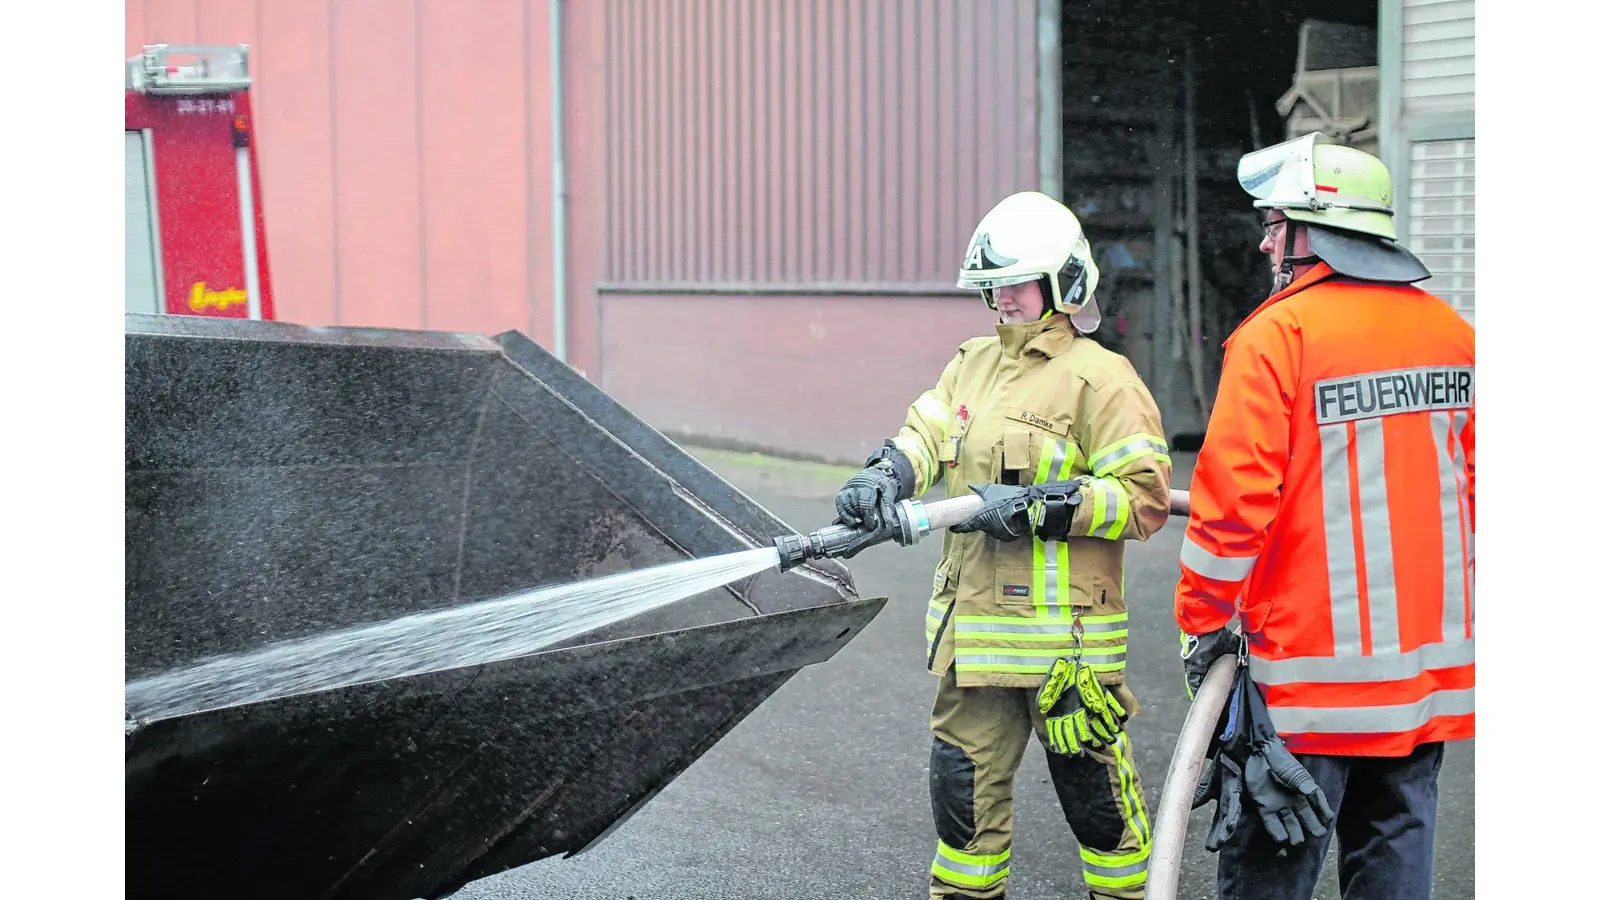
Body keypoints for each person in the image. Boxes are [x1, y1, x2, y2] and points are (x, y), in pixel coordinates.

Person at [832, 190, 1173, 900]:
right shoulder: (973, 363)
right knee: (962, 807)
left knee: (1098, 809)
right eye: (994, 285)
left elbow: (1144, 497)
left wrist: (1044, 508)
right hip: (976, 644)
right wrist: (885, 474)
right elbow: (926, 436)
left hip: (1066, 654)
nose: (1002, 299)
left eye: (1017, 283)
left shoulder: (1103, 380)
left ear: (1063, 283)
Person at [1174, 132, 1475, 900]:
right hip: (1420, 686)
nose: (1265, 241)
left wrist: (1202, 626)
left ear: (1314, 231)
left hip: (1306, 691)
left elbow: (1232, 510)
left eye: (1275, 224)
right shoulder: (1453, 334)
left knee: (1272, 870)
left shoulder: (1277, 336)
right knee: (1395, 864)